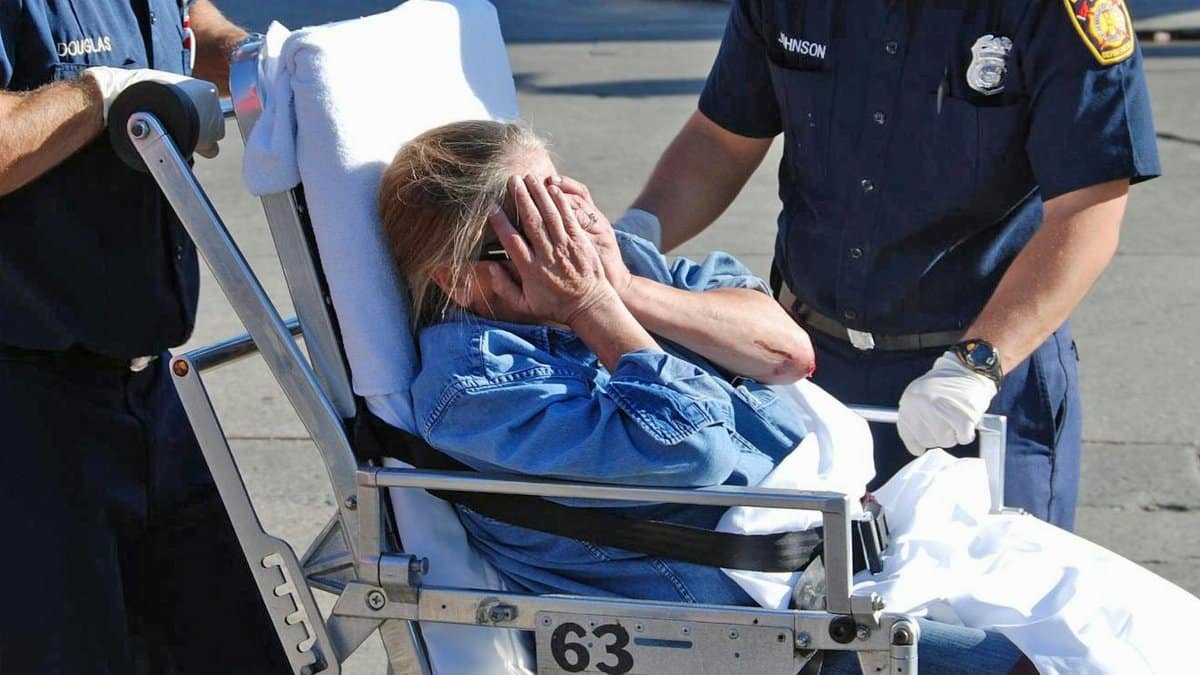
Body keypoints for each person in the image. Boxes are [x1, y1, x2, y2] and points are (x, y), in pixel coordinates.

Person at [378, 119, 1035, 674]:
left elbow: (786, 351)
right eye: (541, 228)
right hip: (763, 626)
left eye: (568, 199)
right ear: (462, 282)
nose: (578, 235)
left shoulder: (612, 265)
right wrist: (593, 308)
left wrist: (630, 293)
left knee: (1111, 634)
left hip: (856, 554)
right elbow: (693, 446)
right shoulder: (479, 392)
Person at [616, 0, 1161, 531]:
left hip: (979, 373)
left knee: (982, 612)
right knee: (813, 604)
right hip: (810, 365)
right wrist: (637, 233)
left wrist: (976, 365)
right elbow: (722, 139)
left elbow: (1087, 214)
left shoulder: (1056, 11)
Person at [0, 2, 290, 673]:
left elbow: (189, 22)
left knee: (240, 646)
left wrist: (260, 60)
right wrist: (99, 94)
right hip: (24, 408)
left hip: (151, 391)